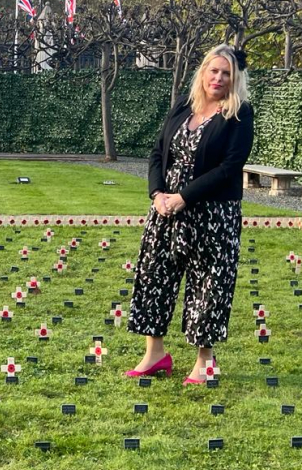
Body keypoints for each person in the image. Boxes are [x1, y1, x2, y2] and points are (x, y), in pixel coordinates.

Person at [125, 43, 254, 385]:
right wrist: (157, 194)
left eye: (226, 73)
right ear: (203, 72)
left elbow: (230, 168)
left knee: (209, 284)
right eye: (214, 70)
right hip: (165, 210)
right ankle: (155, 354)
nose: (219, 78)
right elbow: (157, 152)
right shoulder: (183, 105)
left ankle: (205, 362)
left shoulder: (239, 114)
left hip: (213, 214)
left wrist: (184, 197)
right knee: (153, 276)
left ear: (235, 78)